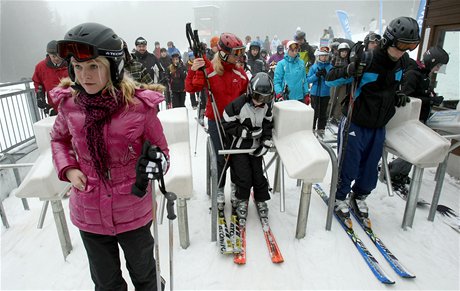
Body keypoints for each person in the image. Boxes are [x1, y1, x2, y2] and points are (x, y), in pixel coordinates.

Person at [50, 22, 169, 290]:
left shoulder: (139, 107)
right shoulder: (69, 106)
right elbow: (58, 139)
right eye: (78, 68)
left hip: (133, 210)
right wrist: (68, 168)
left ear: (113, 67)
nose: (84, 75)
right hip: (89, 211)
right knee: (106, 283)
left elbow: (161, 150)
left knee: (145, 276)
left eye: (94, 66)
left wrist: (157, 164)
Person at [325, 16, 420, 222]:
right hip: (355, 122)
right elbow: (330, 78)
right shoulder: (367, 60)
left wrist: (401, 91)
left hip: (379, 125)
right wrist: (350, 69)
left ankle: (360, 195)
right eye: (400, 46)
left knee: (370, 167)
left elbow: (409, 73)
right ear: (388, 41)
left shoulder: (402, 61)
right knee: (349, 164)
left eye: (408, 47)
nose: (402, 52)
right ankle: (339, 196)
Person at [185, 32, 248, 205]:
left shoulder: (240, 73)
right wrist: (194, 71)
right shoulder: (210, 70)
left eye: (240, 52)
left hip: (235, 122)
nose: (239, 56)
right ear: (224, 52)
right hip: (216, 120)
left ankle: (235, 186)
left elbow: (246, 95)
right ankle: (219, 187)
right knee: (221, 157)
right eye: (236, 53)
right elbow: (192, 88)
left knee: (236, 157)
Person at [388, 46, 449, 188]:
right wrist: (430, 101)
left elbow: (421, 92)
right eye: (437, 66)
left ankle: (400, 172)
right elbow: (407, 97)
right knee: (414, 149)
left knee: (416, 148)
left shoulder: (423, 74)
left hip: (420, 116)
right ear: (431, 62)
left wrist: (431, 95)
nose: (437, 69)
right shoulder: (413, 74)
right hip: (411, 118)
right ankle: (395, 172)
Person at [222, 72, 274, 219]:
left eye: (266, 98)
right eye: (258, 97)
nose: (261, 102)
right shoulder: (239, 105)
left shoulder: (265, 107)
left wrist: (266, 140)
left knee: (258, 175)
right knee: (244, 176)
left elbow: (268, 123)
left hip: (254, 148)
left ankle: (261, 198)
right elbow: (225, 121)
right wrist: (243, 132)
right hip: (239, 147)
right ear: (251, 92)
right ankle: (242, 200)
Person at [32, 40, 68, 115]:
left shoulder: (70, 64)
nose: (57, 58)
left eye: (59, 56)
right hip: (54, 106)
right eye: (53, 56)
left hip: (72, 105)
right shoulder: (41, 67)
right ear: (48, 54)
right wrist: (40, 96)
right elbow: (38, 82)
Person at [307, 47, 333, 137]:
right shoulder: (314, 67)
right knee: (314, 112)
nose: (324, 58)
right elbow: (308, 80)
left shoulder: (330, 67)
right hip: (315, 93)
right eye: (322, 56)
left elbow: (332, 81)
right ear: (318, 56)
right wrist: (316, 75)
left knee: (323, 112)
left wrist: (327, 76)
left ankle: (321, 129)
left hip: (325, 93)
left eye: (326, 56)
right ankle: (312, 127)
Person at [328, 42, 350, 125]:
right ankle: (328, 115)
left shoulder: (348, 61)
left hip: (344, 83)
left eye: (346, 52)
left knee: (341, 100)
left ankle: (336, 116)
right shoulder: (334, 59)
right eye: (342, 51)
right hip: (335, 82)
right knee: (332, 98)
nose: (344, 53)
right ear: (339, 51)